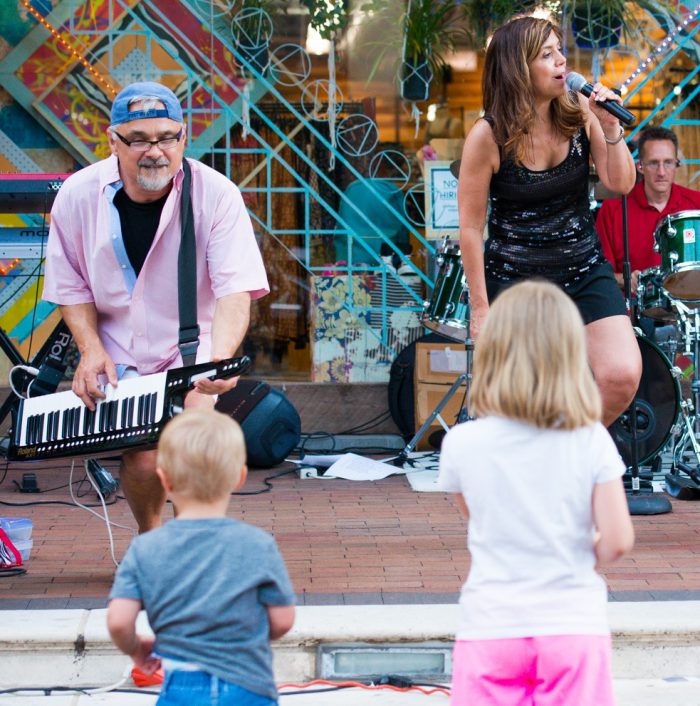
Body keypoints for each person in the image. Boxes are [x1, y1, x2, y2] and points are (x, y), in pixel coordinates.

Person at [42, 81, 269, 533]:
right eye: (140, 139)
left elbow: (234, 289)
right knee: (144, 461)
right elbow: (71, 287)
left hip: (193, 349)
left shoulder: (216, 195)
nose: (156, 151)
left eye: (167, 138)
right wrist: (89, 350)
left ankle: (189, 543)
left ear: (183, 137)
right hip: (119, 349)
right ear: (113, 141)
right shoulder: (77, 195)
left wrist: (220, 357)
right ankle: (151, 539)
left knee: (190, 450)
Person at [438, 279, 635, 706]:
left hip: (490, 625)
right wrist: (578, 552)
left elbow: (482, 518)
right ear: (570, 354)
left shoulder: (462, 443)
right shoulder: (590, 439)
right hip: (571, 624)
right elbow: (618, 540)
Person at [456, 16, 640, 426]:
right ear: (518, 68)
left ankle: (564, 454)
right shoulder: (488, 136)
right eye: (547, 55)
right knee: (514, 402)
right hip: (516, 275)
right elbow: (470, 228)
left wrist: (611, 127)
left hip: (582, 266)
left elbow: (620, 183)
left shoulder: (578, 112)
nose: (562, 62)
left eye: (560, 50)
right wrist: (480, 310)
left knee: (621, 376)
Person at [107, 408, 296, 706]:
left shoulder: (146, 548)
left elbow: (119, 622)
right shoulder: (258, 544)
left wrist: (137, 650)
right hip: (248, 686)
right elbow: (283, 620)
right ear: (239, 477)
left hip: (183, 688)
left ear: (165, 480)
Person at [597, 125, 700, 294]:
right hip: (632, 312)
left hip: (690, 310)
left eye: (668, 162)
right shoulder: (613, 210)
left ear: (676, 164)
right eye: (653, 163)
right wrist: (625, 279)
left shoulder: (697, 204)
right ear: (640, 167)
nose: (661, 172)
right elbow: (598, 274)